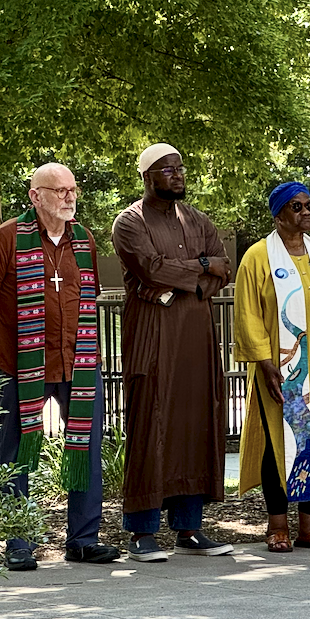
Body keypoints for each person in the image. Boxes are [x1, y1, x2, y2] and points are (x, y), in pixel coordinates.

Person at [0, 164, 119, 570]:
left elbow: (87, 297)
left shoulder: (84, 239)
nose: (69, 197)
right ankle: (18, 542)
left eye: (72, 189)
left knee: (86, 449)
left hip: (78, 364)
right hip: (20, 365)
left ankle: (83, 540)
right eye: (59, 190)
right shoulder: (5, 238)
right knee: (16, 454)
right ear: (35, 196)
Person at [112, 143, 234, 562]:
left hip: (195, 335)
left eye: (180, 168)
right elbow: (150, 268)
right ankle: (142, 532)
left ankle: (189, 528)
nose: (178, 175)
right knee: (152, 422)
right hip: (153, 334)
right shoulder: (129, 222)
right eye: (167, 170)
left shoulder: (198, 219)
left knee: (194, 421)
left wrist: (190, 280)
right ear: (147, 177)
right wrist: (201, 267)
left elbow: (224, 267)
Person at [234, 182, 310, 552]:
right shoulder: (258, 257)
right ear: (279, 215)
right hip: (282, 369)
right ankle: (277, 526)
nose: (306, 213)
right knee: (279, 442)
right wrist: (265, 361)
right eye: (296, 207)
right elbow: (248, 314)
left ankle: (309, 526)